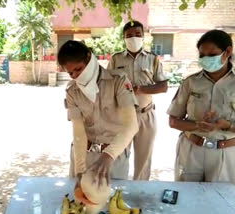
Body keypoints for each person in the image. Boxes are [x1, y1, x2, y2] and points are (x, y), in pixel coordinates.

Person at [58, 40, 139, 185]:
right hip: (84, 154)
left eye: (79, 69)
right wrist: (80, 169)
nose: (76, 75)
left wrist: (108, 155)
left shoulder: (118, 81)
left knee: (113, 199)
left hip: (114, 155)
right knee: (79, 202)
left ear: (89, 58)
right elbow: (78, 132)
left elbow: (131, 125)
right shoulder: (72, 91)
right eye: (70, 73)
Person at [167, 30, 235, 183]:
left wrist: (226, 125)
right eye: (202, 56)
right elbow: (173, 121)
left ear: (228, 52)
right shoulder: (190, 82)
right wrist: (197, 125)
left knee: (220, 202)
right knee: (186, 199)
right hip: (192, 150)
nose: (206, 60)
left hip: (226, 154)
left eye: (212, 55)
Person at [107, 21, 168, 180]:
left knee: (144, 160)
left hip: (145, 115)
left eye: (137, 34)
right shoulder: (115, 59)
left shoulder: (152, 59)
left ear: (143, 36)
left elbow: (163, 86)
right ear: (124, 38)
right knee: (118, 157)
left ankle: (139, 195)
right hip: (122, 116)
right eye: (129, 36)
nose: (134, 38)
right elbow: (106, 84)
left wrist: (140, 89)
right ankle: (118, 192)